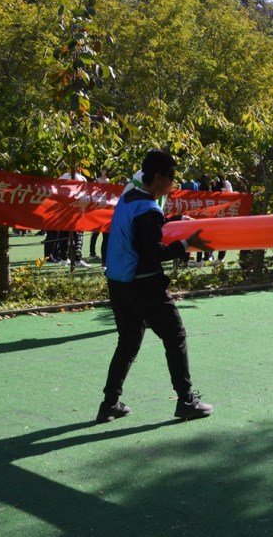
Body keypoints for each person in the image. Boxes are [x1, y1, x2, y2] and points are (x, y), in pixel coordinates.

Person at [97, 150, 214, 423]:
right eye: (172, 178)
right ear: (159, 177)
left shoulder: (128, 198)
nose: (173, 184)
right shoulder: (148, 209)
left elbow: (144, 233)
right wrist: (186, 244)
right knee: (175, 336)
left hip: (118, 282)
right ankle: (186, 401)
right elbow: (153, 252)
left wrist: (176, 221)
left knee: (128, 342)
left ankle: (109, 404)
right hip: (144, 284)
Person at [59, 167, 90, 268]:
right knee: (78, 234)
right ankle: (76, 259)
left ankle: (64, 258)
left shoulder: (63, 178)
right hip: (74, 211)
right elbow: (85, 196)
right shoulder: (81, 179)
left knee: (65, 234)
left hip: (66, 211)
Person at [89, 169, 110, 266]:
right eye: (102, 170)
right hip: (98, 210)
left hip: (106, 210)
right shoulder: (96, 181)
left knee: (106, 235)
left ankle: (104, 259)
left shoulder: (110, 180)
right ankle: (92, 252)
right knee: (95, 233)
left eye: (105, 170)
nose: (103, 171)